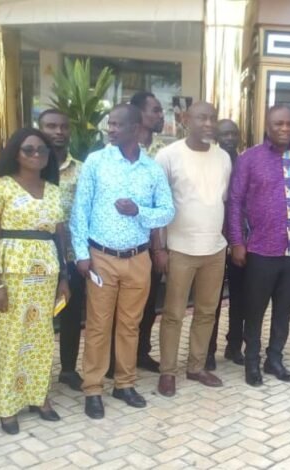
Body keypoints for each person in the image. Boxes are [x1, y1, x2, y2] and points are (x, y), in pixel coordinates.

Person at [71, 104, 174, 419]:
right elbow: (80, 210)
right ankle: (93, 388)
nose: (110, 129)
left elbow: (168, 211)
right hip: (102, 257)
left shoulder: (151, 169)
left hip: (138, 258)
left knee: (130, 325)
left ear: (135, 128)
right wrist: (81, 254)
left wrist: (138, 212)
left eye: (117, 124)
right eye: (109, 124)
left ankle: (124, 384)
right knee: (99, 326)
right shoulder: (96, 162)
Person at [0, 128, 70, 434]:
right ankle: (7, 405)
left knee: (43, 337)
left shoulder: (54, 189)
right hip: (13, 272)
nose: (36, 155)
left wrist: (64, 276)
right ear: (15, 153)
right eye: (29, 150)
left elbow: (59, 236)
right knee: (12, 339)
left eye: (42, 150)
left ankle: (38, 397)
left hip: (46, 273)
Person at [227, 105, 290, 387]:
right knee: (254, 310)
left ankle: (274, 358)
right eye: (279, 123)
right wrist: (237, 241)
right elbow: (235, 202)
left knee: (284, 310)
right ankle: (251, 360)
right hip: (260, 250)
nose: (285, 129)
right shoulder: (249, 159)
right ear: (268, 126)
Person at [153, 102, 231, 397]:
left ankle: (196, 367)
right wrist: (158, 248)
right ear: (186, 120)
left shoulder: (223, 157)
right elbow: (157, 205)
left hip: (214, 249)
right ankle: (167, 371)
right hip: (179, 248)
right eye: (202, 117)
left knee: (207, 312)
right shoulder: (168, 156)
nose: (209, 123)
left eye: (213, 118)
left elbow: (222, 200)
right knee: (173, 313)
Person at [38, 109, 85, 391]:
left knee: (71, 315)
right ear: (39, 128)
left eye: (63, 127)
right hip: (36, 258)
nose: (58, 132)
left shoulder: (81, 169)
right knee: (37, 317)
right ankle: (34, 373)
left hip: (71, 257)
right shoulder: (28, 167)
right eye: (51, 126)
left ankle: (68, 369)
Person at [127, 91, 167, 374]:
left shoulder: (163, 152)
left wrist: (160, 247)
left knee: (149, 303)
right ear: (138, 114)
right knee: (122, 306)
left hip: (154, 244)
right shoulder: (115, 151)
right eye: (154, 110)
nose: (159, 115)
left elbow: (164, 204)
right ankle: (117, 359)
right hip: (122, 243)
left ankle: (141, 353)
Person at [207, 119, 245, 370]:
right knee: (211, 300)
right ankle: (207, 351)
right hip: (214, 240)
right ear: (216, 137)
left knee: (241, 298)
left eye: (233, 134)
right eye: (224, 134)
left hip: (241, 240)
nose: (229, 138)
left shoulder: (246, 162)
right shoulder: (210, 162)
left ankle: (234, 346)